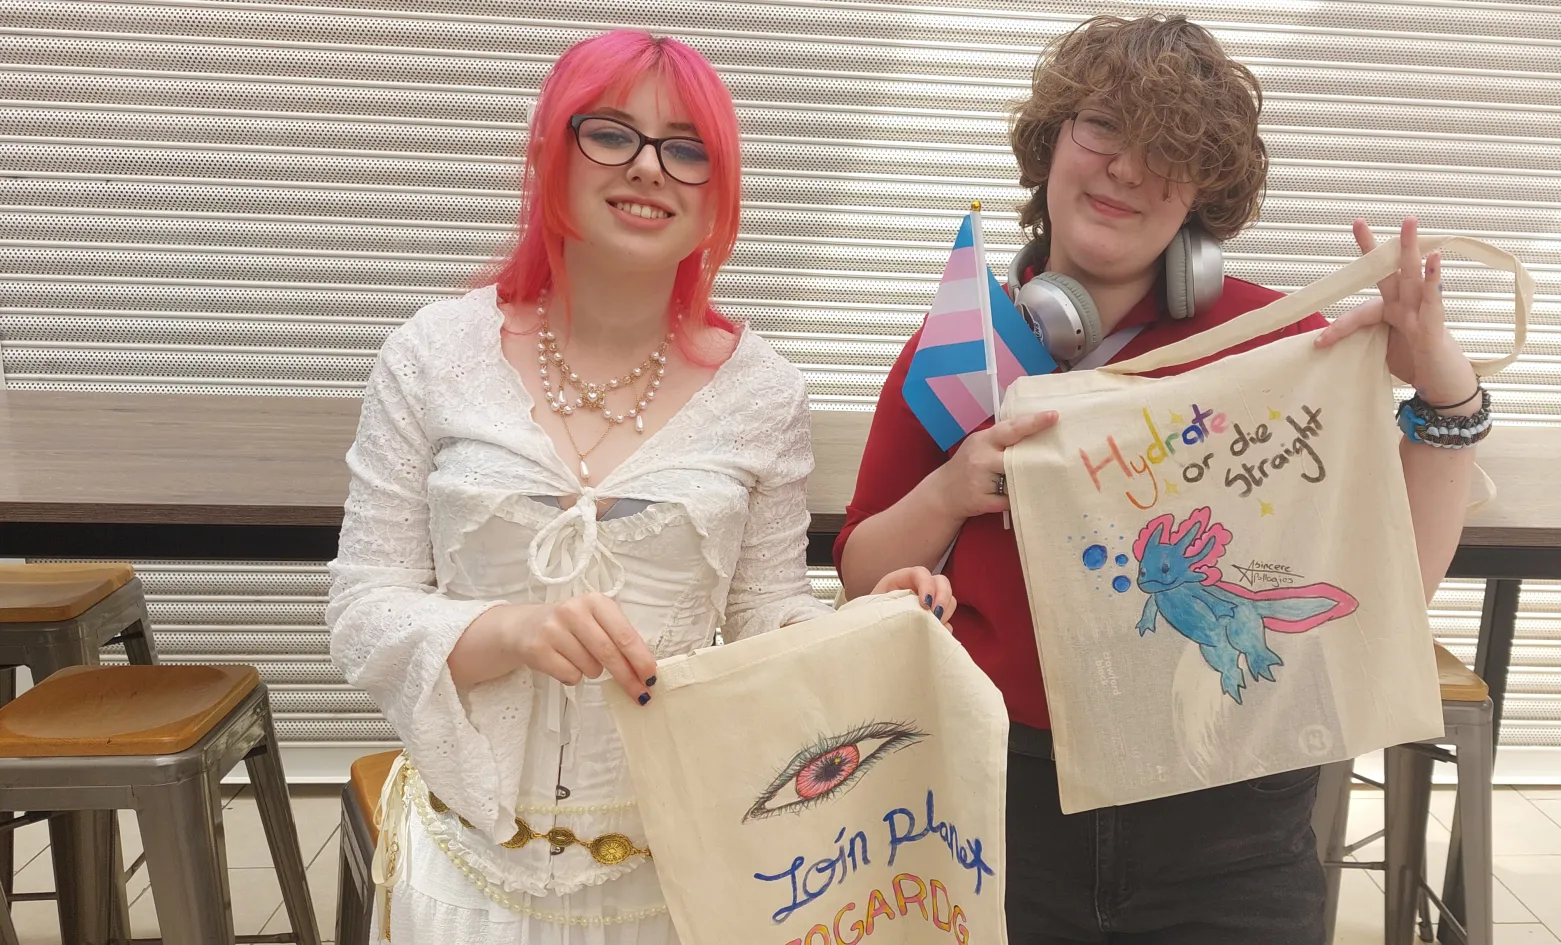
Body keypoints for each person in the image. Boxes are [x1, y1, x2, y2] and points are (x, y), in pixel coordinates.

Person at [835, 14, 1485, 944]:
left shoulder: (1278, 345)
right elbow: (861, 576)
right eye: (1101, 127)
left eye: (1169, 151)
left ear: (1204, 196)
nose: (1127, 170)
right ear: (1050, 143)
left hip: (1230, 818)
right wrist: (950, 488)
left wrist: (1444, 386)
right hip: (995, 804)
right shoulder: (960, 351)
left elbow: (1390, 589)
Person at [327, 31, 950, 943]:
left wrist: (859, 629)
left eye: (687, 149)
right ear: (550, 153)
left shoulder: (764, 392)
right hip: (463, 873)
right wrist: (510, 628)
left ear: (717, 198)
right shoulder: (430, 354)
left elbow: (767, 611)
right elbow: (361, 605)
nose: (650, 168)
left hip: (674, 877)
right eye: (612, 133)